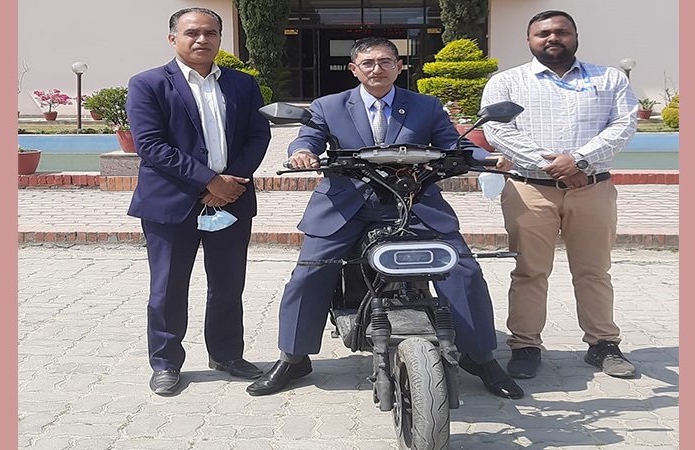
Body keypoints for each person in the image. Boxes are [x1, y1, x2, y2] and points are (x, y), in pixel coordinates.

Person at [246, 37, 523, 400]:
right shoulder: (329, 106)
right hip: (345, 205)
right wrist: (302, 153)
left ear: (399, 66)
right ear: (354, 69)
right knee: (310, 271)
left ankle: (481, 356)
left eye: (385, 62)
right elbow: (308, 138)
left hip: (414, 200)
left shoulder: (425, 105)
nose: (377, 69)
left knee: (463, 269)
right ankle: (294, 358)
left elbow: (454, 144)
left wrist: (486, 157)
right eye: (368, 63)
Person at [481, 10, 639, 380]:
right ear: (529, 40)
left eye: (562, 32)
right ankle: (525, 346)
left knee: (594, 271)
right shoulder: (506, 82)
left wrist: (579, 160)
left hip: (592, 189)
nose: (553, 38)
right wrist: (554, 165)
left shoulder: (609, 79)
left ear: (575, 36)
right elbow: (497, 131)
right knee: (530, 271)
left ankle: (603, 344)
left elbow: (624, 125)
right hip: (530, 190)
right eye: (543, 33)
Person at [126, 7, 272, 395]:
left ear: (220, 39)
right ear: (173, 38)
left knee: (228, 284)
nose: (202, 39)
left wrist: (230, 182)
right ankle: (165, 363)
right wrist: (209, 181)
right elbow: (151, 145)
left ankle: (226, 354)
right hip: (171, 204)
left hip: (232, 200)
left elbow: (259, 135)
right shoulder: (148, 84)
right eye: (192, 33)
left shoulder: (243, 84)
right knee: (168, 288)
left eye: (210, 33)